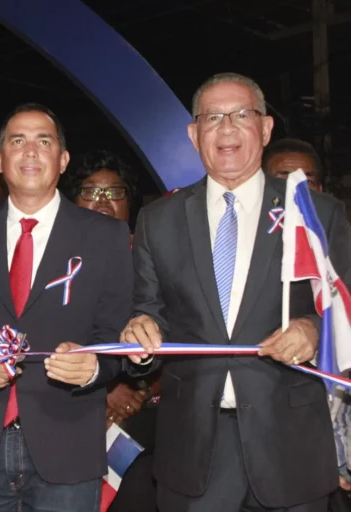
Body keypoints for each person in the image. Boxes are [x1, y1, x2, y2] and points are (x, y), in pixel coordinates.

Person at [122, 72, 351, 511]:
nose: (227, 128)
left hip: (290, 447)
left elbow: (344, 310)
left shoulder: (316, 212)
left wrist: (314, 329)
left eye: (241, 115)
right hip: (192, 453)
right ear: (194, 134)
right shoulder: (157, 219)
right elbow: (149, 311)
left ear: (265, 129)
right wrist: (141, 332)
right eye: (213, 118)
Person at [0, 103, 133, 511]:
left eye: (44, 142)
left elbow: (115, 336)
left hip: (69, 443)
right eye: (18, 141)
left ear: (62, 160)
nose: (30, 151)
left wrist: (94, 365)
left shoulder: (106, 237)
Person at [68, 150, 158, 511]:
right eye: (90, 192)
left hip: (147, 407)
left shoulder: (152, 258)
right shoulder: (57, 263)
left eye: (114, 192)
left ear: (129, 202)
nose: (102, 202)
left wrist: (136, 387)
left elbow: (183, 336)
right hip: (74, 405)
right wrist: (105, 392)